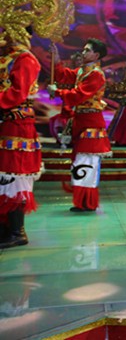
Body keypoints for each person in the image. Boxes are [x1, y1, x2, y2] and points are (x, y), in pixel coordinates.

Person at [49, 39, 112, 213]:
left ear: (96, 55)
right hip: (81, 121)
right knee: (80, 161)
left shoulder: (96, 74)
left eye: (87, 50)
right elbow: (64, 76)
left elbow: (79, 95)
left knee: (86, 163)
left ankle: (87, 202)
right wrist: (56, 59)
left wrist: (57, 92)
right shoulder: (82, 71)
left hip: (91, 123)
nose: (83, 53)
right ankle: (82, 201)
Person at [0, 31, 43, 249]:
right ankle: (6, 228)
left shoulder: (25, 59)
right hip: (5, 122)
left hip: (17, 124)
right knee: (3, 176)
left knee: (14, 175)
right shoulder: (6, 57)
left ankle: (18, 232)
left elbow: (17, 92)